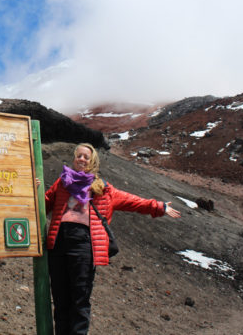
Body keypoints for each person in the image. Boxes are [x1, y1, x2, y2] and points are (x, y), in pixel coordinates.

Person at [44, 143, 181, 335]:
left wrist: (159, 206)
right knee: (60, 299)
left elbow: (133, 201)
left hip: (84, 246)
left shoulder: (104, 190)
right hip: (58, 244)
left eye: (86, 157)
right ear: (74, 159)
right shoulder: (62, 183)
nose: (82, 159)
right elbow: (43, 203)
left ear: (93, 162)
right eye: (79, 156)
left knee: (79, 300)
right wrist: (31, 189)